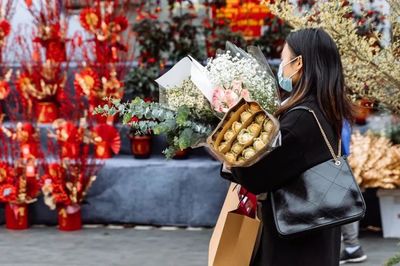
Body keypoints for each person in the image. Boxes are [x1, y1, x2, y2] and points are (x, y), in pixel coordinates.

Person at [220, 28, 355, 266]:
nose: (281, 67)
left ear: (299, 62)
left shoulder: (301, 120)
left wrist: (231, 156)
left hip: (294, 244)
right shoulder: (324, 110)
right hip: (315, 234)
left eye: (284, 59)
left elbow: (260, 177)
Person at [340, 121, 368, 264]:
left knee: (339, 205)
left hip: (334, 162)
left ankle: (352, 247)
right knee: (341, 204)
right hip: (339, 160)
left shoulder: (330, 109)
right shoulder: (338, 110)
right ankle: (352, 247)